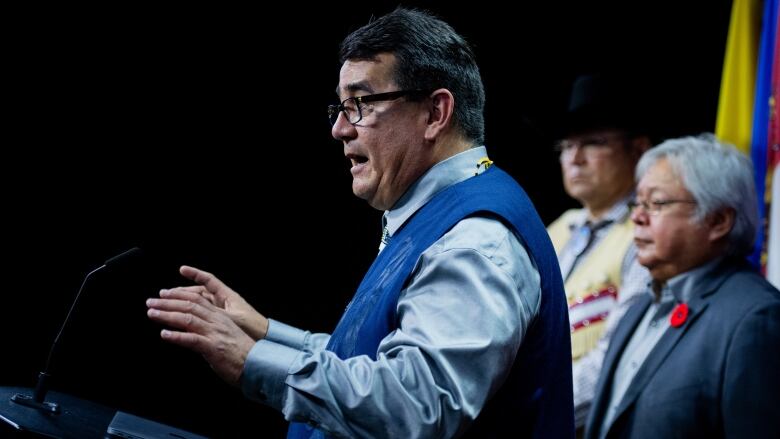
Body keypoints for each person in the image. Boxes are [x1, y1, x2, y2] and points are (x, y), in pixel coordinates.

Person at [146, 8, 574, 438]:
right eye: (340, 106)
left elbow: (417, 406)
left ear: (435, 113)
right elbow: (371, 362)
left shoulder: (476, 241)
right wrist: (263, 332)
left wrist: (249, 360)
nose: (338, 129)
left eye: (360, 104)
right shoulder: (441, 211)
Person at [584, 134, 780, 438]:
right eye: (639, 202)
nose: (637, 216)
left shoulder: (756, 318)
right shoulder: (638, 308)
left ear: (718, 221)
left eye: (657, 203)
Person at [546, 73, 653, 428]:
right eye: (565, 145)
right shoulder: (558, 228)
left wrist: (538, 409)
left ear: (638, 150)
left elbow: (619, 356)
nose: (574, 158)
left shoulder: (646, 230)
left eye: (592, 143)